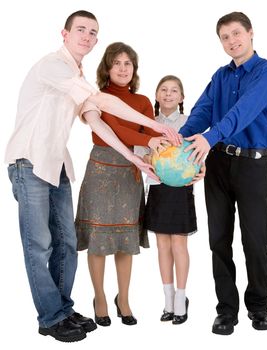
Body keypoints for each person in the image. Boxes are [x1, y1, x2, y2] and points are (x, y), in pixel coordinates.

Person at [5, 11, 180, 343]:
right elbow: (101, 102)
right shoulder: (53, 66)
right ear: (65, 33)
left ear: (96, 40)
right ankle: (51, 316)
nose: (86, 35)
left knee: (68, 242)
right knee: (38, 245)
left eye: (92, 32)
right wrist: (158, 126)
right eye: (80, 30)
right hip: (28, 162)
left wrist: (133, 158)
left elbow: (97, 121)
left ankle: (63, 309)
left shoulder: (76, 74)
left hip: (55, 165)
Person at [180, 11, 267, 335]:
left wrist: (211, 136)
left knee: (255, 240)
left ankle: (259, 307)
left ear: (251, 33)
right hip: (218, 165)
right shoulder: (221, 76)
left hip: (253, 165)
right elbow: (203, 111)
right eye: (225, 37)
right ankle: (226, 310)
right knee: (219, 239)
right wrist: (180, 142)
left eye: (236, 34)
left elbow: (245, 111)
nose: (232, 41)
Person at [75, 42, 169, 327]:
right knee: (99, 240)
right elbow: (114, 129)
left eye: (128, 63)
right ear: (107, 67)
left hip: (131, 171)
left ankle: (124, 299)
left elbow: (149, 139)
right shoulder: (96, 97)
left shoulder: (141, 102)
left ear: (134, 69)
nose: (123, 68)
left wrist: (169, 164)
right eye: (117, 62)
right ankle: (100, 298)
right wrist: (148, 139)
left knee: (125, 242)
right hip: (101, 171)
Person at [142, 75, 203, 324]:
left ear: (181, 97)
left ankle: (181, 298)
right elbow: (142, 155)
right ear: (156, 95)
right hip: (157, 188)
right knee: (162, 246)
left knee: (179, 245)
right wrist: (153, 159)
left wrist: (200, 167)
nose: (168, 94)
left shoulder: (190, 123)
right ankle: (167, 300)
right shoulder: (149, 123)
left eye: (174, 90)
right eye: (163, 90)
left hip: (181, 190)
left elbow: (199, 154)